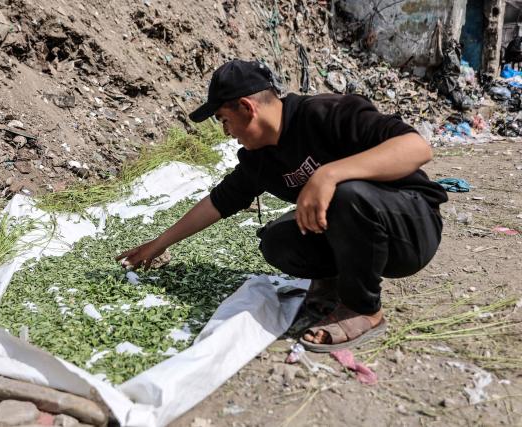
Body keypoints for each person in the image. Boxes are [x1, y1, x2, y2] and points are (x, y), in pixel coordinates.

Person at [116, 59, 447, 352]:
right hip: (361, 238)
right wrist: (157, 245)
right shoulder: (261, 158)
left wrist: (328, 174)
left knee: (345, 194)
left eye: (224, 119)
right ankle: (333, 283)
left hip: (411, 229)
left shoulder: (325, 113)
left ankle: (365, 310)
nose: (226, 132)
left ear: (247, 107)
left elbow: (417, 147)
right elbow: (218, 202)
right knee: (277, 240)